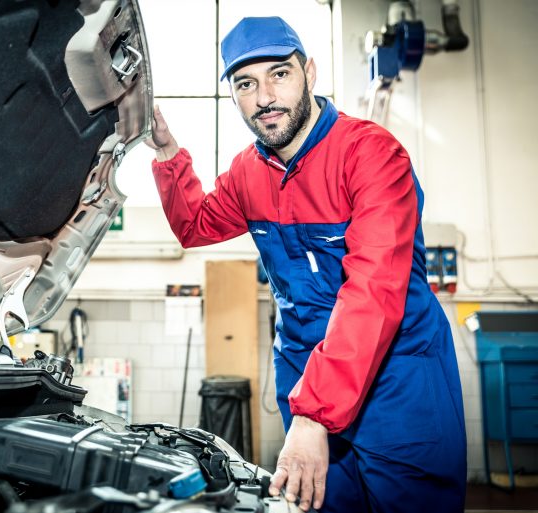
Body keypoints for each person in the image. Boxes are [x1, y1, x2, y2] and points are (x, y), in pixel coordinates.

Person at [146, 16, 466, 513]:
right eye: (246, 83)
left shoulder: (372, 156)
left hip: (395, 381)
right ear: (233, 95)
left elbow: (375, 292)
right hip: (304, 378)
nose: (265, 96)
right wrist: (166, 149)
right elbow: (195, 225)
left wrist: (315, 416)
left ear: (309, 73)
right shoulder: (246, 175)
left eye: (280, 74)